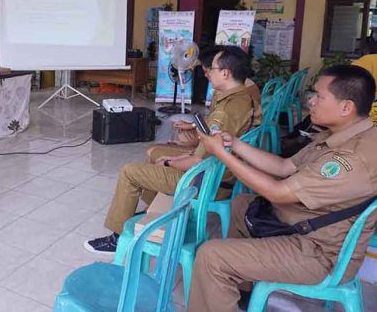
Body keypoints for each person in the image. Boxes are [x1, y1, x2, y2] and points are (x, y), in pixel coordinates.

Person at [189, 64, 377, 312]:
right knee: (242, 205)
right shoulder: (345, 134)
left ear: (346, 107)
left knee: (211, 256)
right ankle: (239, 293)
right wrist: (233, 144)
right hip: (308, 227)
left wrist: (220, 155)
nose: (311, 102)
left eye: (319, 96)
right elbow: (284, 166)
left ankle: (225, 279)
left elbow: (278, 191)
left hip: (319, 252)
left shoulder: (349, 159)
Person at [85, 46, 261, 254]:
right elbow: (209, 149)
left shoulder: (226, 111)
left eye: (211, 69)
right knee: (156, 155)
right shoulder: (242, 97)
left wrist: (170, 162)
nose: (207, 73)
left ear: (225, 72)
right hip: (220, 171)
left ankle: (117, 238)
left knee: (130, 172)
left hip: (206, 180)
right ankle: (157, 213)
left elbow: (198, 162)